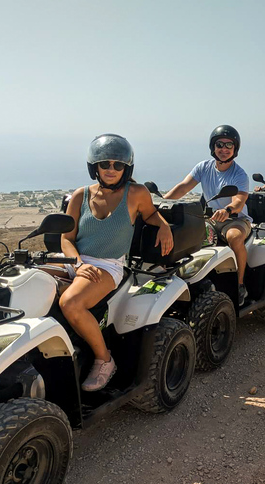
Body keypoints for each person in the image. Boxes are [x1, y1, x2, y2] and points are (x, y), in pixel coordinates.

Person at [59, 134, 173, 392]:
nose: (111, 169)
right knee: (24, 280)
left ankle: (104, 359)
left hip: (108, 265)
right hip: (74, 260)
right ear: (95, 167)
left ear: (126, 168)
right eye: (105, 164)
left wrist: (164, 226)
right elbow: (66, 239)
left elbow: (152, 215)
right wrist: (77, 264)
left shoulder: (137, 193)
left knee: (71, 303)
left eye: (117, 165)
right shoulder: (80, 195)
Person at [163, 125, 251, 306]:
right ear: (213, 147)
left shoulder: (239, 174)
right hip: (210, 219)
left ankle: (240, 284)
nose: (224, 149)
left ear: (235, 149)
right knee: (183, 235)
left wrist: (227, 210)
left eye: (229, 145)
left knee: (234, 237)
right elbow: (183, 187)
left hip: (235, 220)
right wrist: (162, 202)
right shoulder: (203, 167)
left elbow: (239, 201)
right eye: (220, 144)